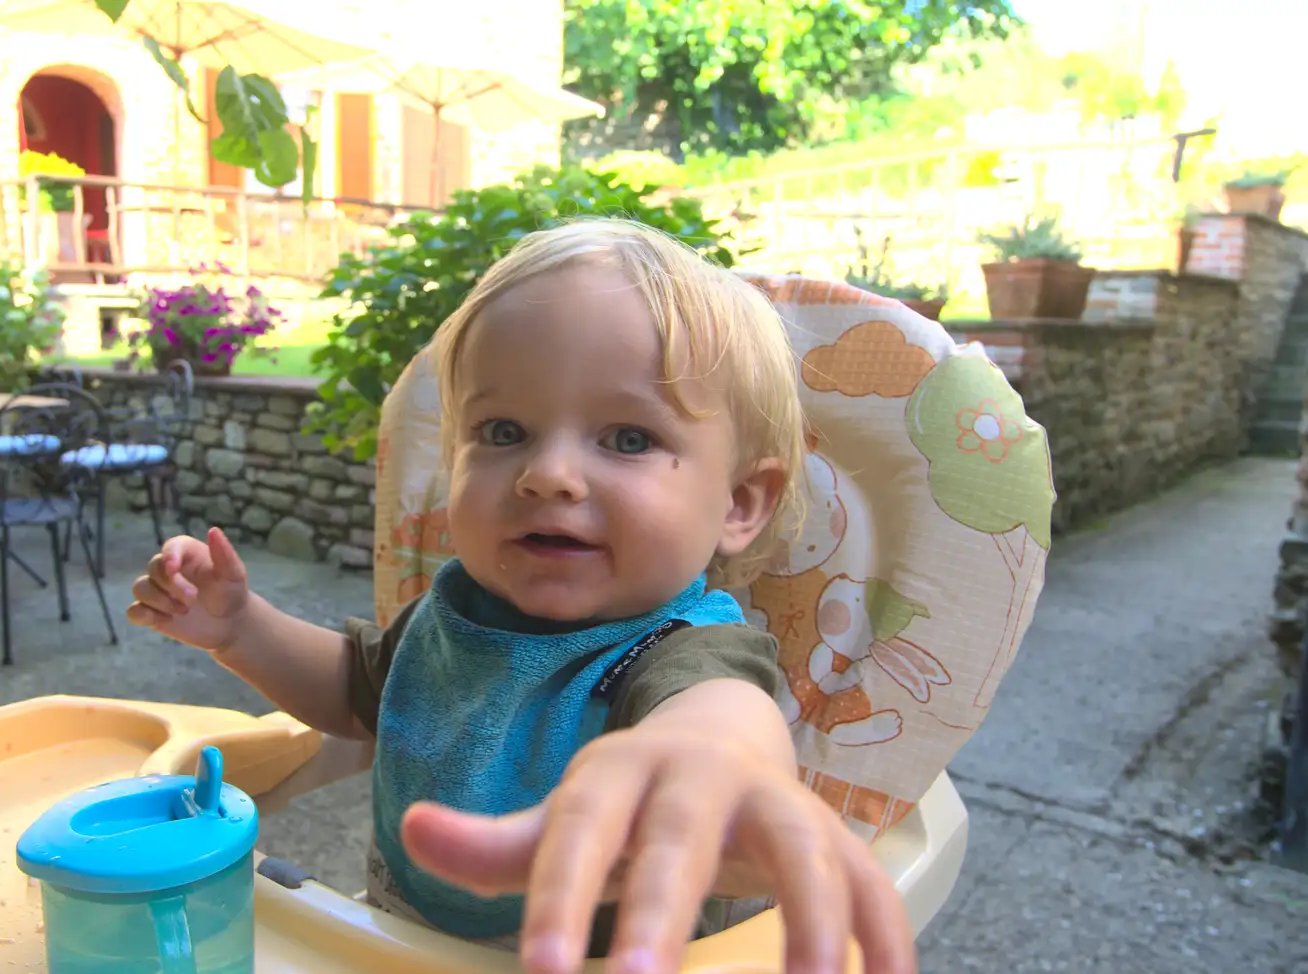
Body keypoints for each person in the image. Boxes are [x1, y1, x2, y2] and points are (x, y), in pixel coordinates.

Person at [128, 219, 915, 974]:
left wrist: (707, 767)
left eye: (629, 439)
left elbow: (719, 720)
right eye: (504, 432)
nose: (549, 474)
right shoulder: (456, 611)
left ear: (740, 504)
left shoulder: (687, 650)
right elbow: (358, 691)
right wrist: (239, 628)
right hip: (402, 945)